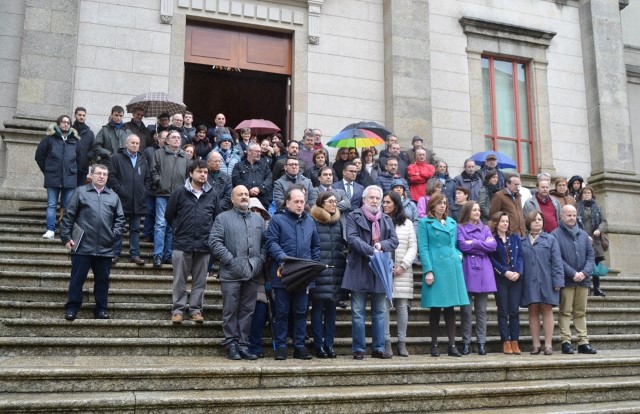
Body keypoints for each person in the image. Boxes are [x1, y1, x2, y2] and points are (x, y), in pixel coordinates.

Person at [60, 164, 125, 320]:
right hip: (82, 245)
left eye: (105, 174)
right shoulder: (80, 192)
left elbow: (120, 219)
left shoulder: (113, 196)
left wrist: (113, 235)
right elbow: (68, 216)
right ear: (92, 175)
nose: (102, 176)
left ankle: (101, 309)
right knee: (77, 280)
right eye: (99, 173)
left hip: (105, 247)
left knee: (102, 281)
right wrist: (66, 237)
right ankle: (72, 308)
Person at [210, 185, 266, 360]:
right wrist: (230, 261)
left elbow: (265, 243)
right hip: (230, 274)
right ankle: (231, 344)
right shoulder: (222, 218)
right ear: (232, 199)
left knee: (247, 310)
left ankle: (243, 344)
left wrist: (260, 261)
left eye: (246, 194)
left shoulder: (258, 220)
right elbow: (215, 242)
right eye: (240, 194)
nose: (244, 197)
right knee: (230, 310)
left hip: (252, 272)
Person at [342, 185, 399, 360]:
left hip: (379, 270)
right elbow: (351, 238)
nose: (374, 201)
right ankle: (359, 349)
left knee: (380, 312)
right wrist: (371, 250)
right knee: (358, 311)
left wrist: (381, 246)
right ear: (364, 199)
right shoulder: (353, 216)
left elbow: (394, 240)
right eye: (371, 198)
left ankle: (378, 348)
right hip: (359, 267)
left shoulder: (386, 219)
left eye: (377, 199)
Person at [265, 188, 320, 360]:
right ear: (287, 202)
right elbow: (271, 242)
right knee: (282, 312)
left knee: (301, 312)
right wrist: (282, 257)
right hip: (283, 272)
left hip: (303, 275)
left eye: (302, 201)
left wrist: (313, 265)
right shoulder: (277, 220)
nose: (299, 204)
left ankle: (299, 346)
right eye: (296, 201)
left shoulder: (310, 221)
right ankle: (281, 347)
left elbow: (315, 246)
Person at [166, 160, 220, 324]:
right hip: (182, 243)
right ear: (191, 173)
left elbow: (216, 218)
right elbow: (169, 215)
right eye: (199, 171)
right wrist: (178, 229)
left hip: (204, 245)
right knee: (179, 280)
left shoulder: (213, 194)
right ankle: (178, 310)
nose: (203, 174)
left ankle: (196, 310)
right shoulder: (179, 193)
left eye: (205, 172)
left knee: (200, 281)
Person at [417, 193, 469, 357]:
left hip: (452, 266)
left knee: (450, 308)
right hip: (436, 267)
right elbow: (423, 248)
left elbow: (453, 244)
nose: (443, 206)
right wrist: (428, 270)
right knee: (435, 307)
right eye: (440, 203)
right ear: (432, 205)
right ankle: (434, 345)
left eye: (445, 203)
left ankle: (452, 345)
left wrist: (458, 253)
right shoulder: (425, 223)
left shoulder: (452, 222)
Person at [552, 205, 597, 355]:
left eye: (574, 215)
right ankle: (566, 341)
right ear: (562, 216)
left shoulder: (583, 235)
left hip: (583, 281)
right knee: (565, 311)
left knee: (580, 312)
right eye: (569, 215)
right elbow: (557, 259)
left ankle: (583, 342)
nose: (572, 218)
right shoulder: (555, 235)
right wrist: (573, 273)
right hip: (567, 280)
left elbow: (591, 256)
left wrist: (584, 273)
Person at [309, 192, 347, 358]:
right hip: (319, 270)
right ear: (321, 203)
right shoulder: (313, 221)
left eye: (335, 201)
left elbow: (342, 245)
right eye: (330, 201)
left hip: (335, 271)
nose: (334, 204)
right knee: (318, 309)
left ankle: (329, 344)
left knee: (331, 310)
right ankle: (318, 344)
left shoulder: (338, 222)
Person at [457, 201, 497, 355]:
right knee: (466, 311)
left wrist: (473, 242)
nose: (478, 212)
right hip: (467, 269)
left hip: (484, 271)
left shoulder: (486, 228)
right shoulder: (460, 228)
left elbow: (492, 246)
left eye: (479, 210)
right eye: (474, 210)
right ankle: (466, 342)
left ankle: (481, 342)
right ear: (467, 211)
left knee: (481, 310)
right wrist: (482, 244)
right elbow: (462, 246)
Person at [521, 211, 564, 355]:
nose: (537, 222)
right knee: (532, 309)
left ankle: (548, 344)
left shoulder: (550, 239)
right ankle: (535, 344)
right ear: (528, 223)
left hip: (546, 279)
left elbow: (557, 262)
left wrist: (558, 280)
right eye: (534, 220)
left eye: (540, 219)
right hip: (528, 280)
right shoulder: (522, 241)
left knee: (547, 309)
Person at [107, 134, 151, 265]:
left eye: (137, 143)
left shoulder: (142, 159)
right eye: (133, 143)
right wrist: (121, 190)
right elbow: (111, 177)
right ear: (126, 144)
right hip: (121, 200)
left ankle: (135, 255)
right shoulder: (117, 158)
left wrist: (144, 192)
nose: (135, 145)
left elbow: (148, 179)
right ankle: (115, 253)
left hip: (138, 200)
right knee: (118, 227)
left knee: (135, 229)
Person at [382, 191, 417, 357]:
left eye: (388, 202)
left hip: (403, 271)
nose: (384, 205)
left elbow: (412, 247)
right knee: (384, 307)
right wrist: (385, 265)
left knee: (402, 307)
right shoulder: (379, 220)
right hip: (384, 270)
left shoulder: (407, 223)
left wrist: (403, 265)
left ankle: (402, 342)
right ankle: (386, 341)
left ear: (396, 204)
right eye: (384, 202)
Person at [35, 114, 81, 239]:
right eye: (63, 122)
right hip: (53, 178)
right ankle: (50, 230)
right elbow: (39, 156)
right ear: (58, 123)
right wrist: (48, 170)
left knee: (68, 207)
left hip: (70, 178)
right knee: (51, 205)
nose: (66, 124)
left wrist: (74, 171)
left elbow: (80, 159)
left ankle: (66, 231)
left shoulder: (75, 140)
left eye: (68, 122)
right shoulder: (49, 139)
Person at [151, 130, 189, 267]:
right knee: (161, 225)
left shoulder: (184, 156)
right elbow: (153, 170)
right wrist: (159, 182)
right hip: (162, 194)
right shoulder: (159, 153)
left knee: (173, 227)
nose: (177, 140)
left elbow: (188, 174)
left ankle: (168, 255)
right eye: (174, 137)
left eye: (179, 138)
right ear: (166, 140)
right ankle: (157, 256)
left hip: (178, 196)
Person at [489, 211, 524, 355]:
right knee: (503, 310)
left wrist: (519, 272)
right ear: (496, 223)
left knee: (514, 311)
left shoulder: (515, 237)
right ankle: (506, 341)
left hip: (516, 278)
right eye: (502, 221)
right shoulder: (492, 239)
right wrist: (504, 272)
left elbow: (521, 256)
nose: (505, 224)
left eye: (507, 221)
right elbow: (492, 259)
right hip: (501, 279)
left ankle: (515, 340)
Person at [576, 186, 607, 296]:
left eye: (589, 193)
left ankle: (597, 288)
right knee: (585, 263)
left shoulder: (597, 207)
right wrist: (584, 235)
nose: (587, 195)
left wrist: (599, 229)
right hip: (582, 239)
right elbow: (575, 223)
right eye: (584, 193)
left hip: (596, 240)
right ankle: (587, 287)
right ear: (581, 195)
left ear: (592, 195)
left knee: (596, 264)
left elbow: (604, 221)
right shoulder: (577, 207)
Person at [232, 142, 273, 209]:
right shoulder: (238, 166)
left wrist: (259, 188)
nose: (259, 153)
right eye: (257, 151)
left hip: (262, 201)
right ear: (249, 151)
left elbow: (269, 179)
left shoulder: (264, 165)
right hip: (244, 201)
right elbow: (236, 180)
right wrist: (249, 189)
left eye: (260, 151)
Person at [72, 107, 95, 187]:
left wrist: (87, 157)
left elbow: (93, 148)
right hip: (70, 168)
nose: (81, 117)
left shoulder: (90, 133)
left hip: (83, 169)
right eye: (79, 115)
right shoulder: (69, 131)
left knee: (80, 193)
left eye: (83, 115)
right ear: (75, 116)